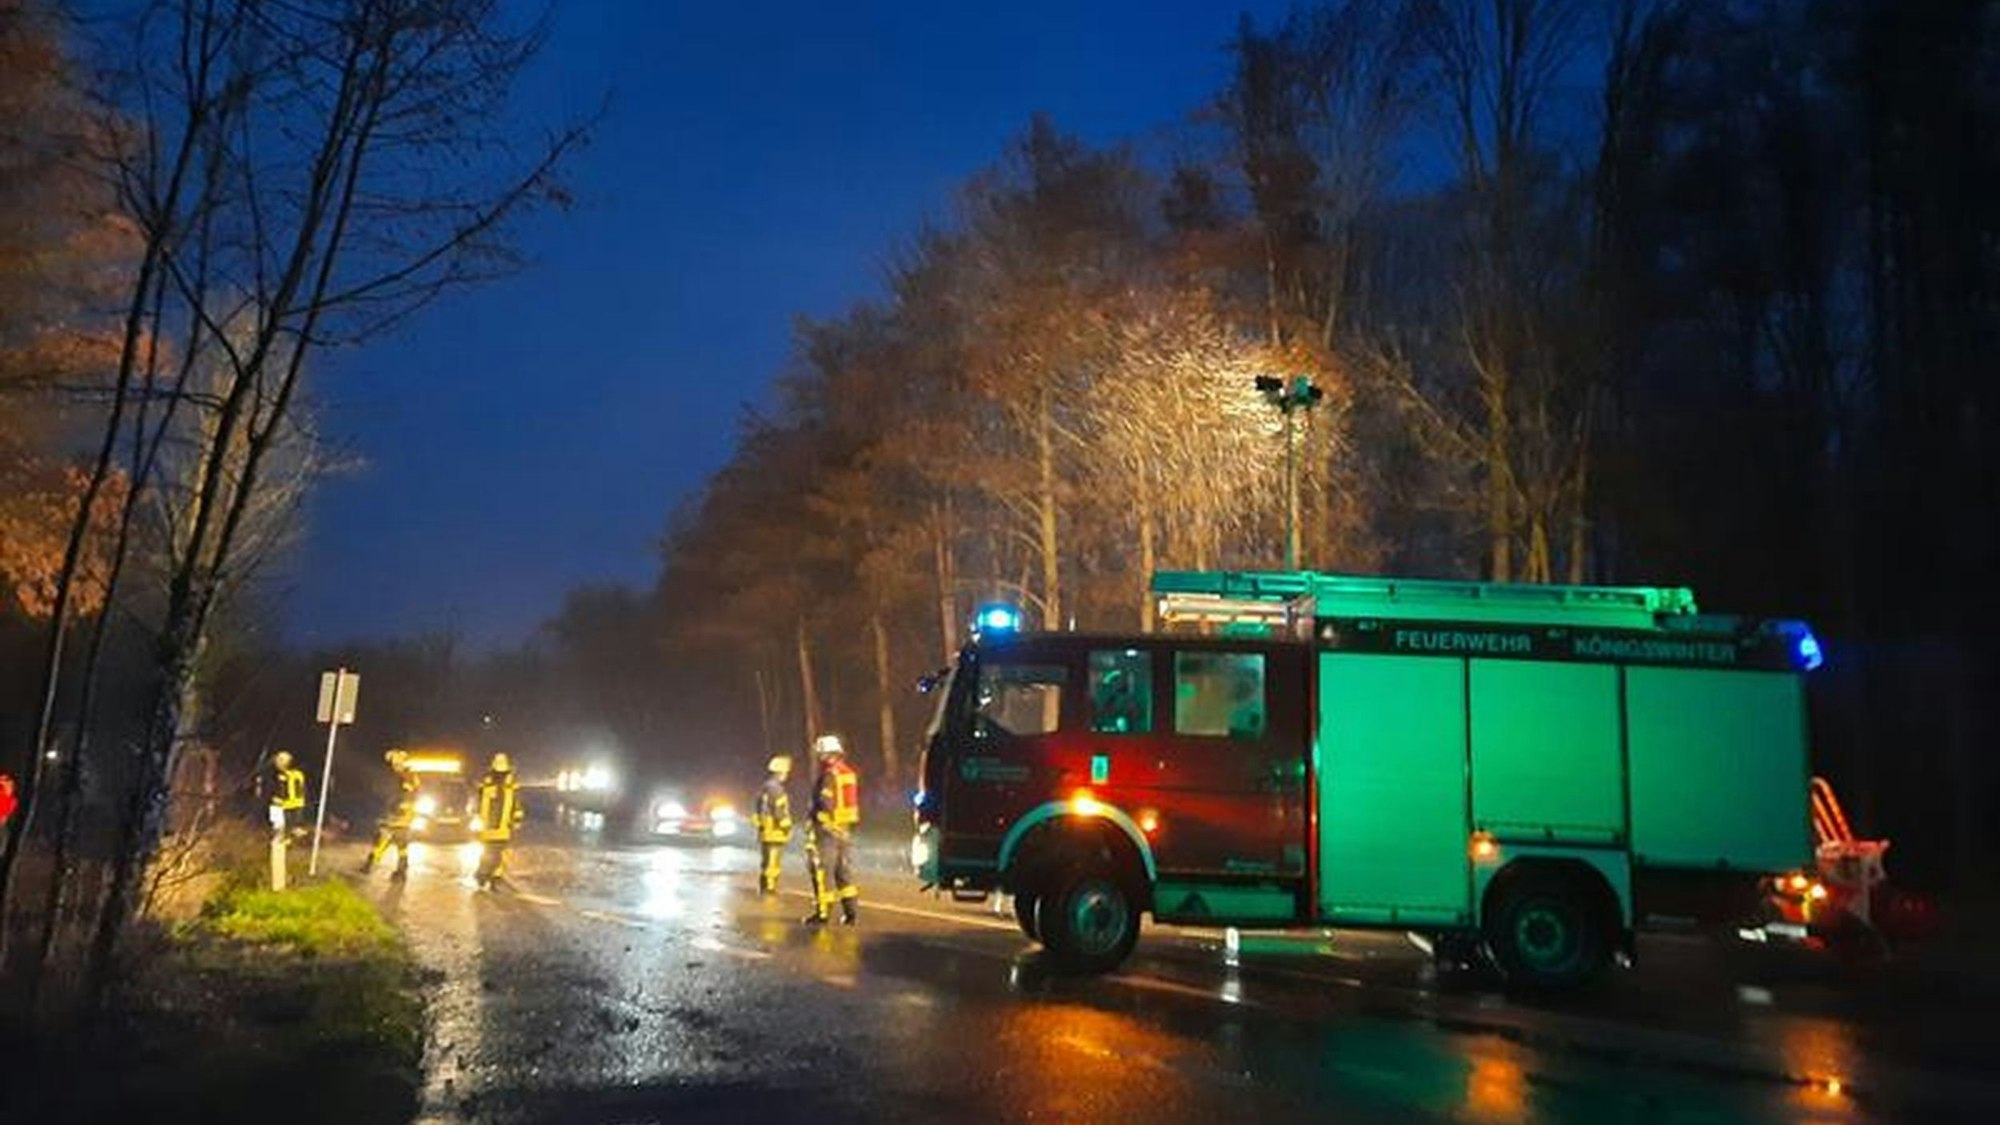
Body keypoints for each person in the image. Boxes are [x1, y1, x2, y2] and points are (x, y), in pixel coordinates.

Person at [800, 734, 860, 926]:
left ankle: (823, 913)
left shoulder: (829, 775)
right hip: (844, 830)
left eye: (821, 754)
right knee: (843, 872)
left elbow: (826, 802)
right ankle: (851, 913)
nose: (820, 758)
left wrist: (816, 819)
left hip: (827, 832)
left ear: (827, 754)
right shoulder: (848, 773)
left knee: (822, 872)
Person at [362, 749, 418, 880]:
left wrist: (399, 807)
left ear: (401, 761)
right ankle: (399, 870)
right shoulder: (400, 775)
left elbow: (407, 795)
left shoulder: (407, 776)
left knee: (386, 839)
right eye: (392, 761)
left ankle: (371, 865)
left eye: (396, 761)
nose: (394, 764)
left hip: (400, 815)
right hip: (397, 813)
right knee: (396, 842)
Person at [474, 752, 522, 889]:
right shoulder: (487, 781)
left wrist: (517, 819)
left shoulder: (510, 782)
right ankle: (483, 874)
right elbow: (480, 801)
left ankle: (494, 877)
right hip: (489, 825)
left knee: (497, 852)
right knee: (489, 852)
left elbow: (516, 802)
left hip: (502, 824)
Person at [752, 756, 794, 895]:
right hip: (775, 830)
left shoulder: (765, 787)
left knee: (767, 859)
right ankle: (769, 887)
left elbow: (758, 808)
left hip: (766, 829)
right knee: (773, 860)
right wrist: (786, 826)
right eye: (785, 773)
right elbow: (779, 810)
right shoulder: (776, 789)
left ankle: (764, 885)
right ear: (780, 772)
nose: (786, 775)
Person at [267, 750, 307, 840]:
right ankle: (284, 834)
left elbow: (282, 791)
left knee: (280, 829)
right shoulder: (297, 774)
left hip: (287, 805)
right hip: (291, 805)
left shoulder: (284, 776)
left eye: (280, 760)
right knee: (279, 830)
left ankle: (285, 834)